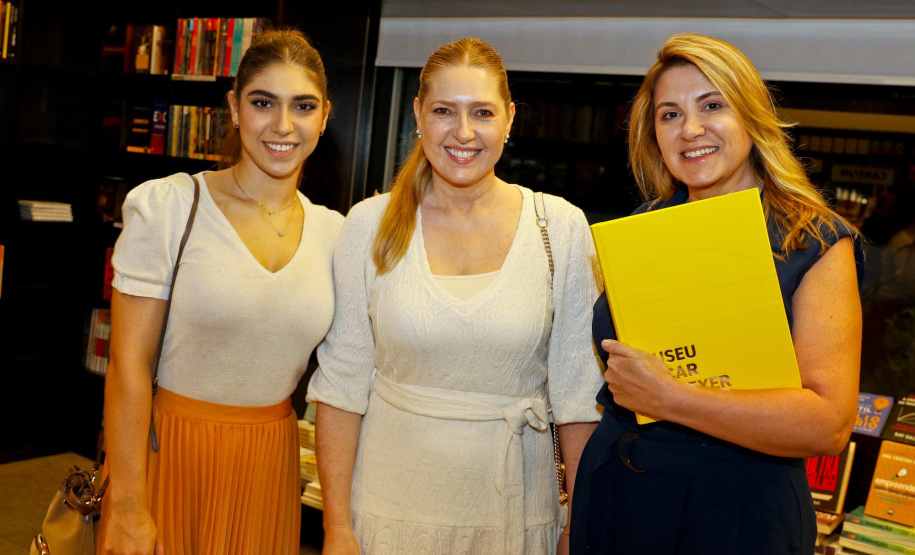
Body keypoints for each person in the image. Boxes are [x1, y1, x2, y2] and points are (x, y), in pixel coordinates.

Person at [570, 33, 865, 555]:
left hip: (737, 513)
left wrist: (672, 398)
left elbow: (829, 425)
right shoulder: (645, 228)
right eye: (669, 115)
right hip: (618, 499)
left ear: (750, 115)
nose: (691, 130)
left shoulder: (812, 241)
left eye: (712, 106)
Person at [306, 37, 603, 555]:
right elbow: (342, 385)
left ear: (510, 119)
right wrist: (336, 528)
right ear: (419, 113)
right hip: (386, 515)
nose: (463, 133)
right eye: (445, 111)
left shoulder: (560, 227)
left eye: (482, 112)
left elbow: (579, 396)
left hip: (517, 518)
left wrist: (577, 526)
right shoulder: (369, 225)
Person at [97, 29, 342, 555]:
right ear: (234, 108)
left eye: (303, 105)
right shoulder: (169, 207)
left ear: (325, 116)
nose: (282, 125)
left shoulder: (337, 235)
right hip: (169, 455)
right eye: (262, 102)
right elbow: (128, 366)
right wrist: (127, 503)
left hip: (269, 463)